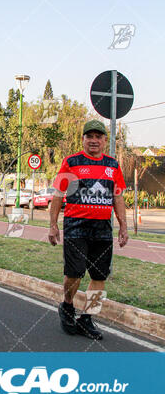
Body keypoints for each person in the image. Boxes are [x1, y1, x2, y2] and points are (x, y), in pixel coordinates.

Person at [48, 120, 129, 340]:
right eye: (89, 136)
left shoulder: (113, 165)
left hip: (103, 229)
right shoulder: (71, 162)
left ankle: (87, 318)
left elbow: (118, 196)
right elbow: (57, 195)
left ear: (104, 140)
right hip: (76, 226)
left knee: (99, 276)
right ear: (83, 139)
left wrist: (123, 225)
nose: (93, 141)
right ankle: (67, 305)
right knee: (74, 274)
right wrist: (53, 225)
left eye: (98, 137)